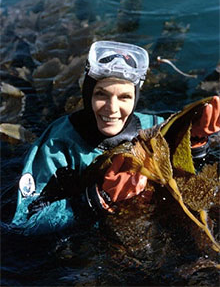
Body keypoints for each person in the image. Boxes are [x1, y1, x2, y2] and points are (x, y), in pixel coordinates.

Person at [11, 40, 220, 235]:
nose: (112, 109)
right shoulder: (57, 146)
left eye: (124, 97)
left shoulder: (155, 127)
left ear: (135, 98)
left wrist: (194, 141)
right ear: (88, 94)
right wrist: (98, 198)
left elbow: (189, 180)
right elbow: (24, 223)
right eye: (101, 94)